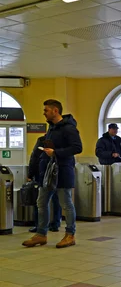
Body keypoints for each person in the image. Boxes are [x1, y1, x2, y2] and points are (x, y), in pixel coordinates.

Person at [22, 99, 82, 249]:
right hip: (47, 172)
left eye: (46, 110)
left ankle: (70, 234)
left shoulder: (69, 128)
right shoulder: (52, 129)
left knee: (66, 204)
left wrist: (56, 152)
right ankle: (41, 234)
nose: (44, 113)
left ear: (55, 111)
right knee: (41, 202)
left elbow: (77, 147)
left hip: (62, 172)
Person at [27, 135, 61, 233]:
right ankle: (55, 224)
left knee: (40, 201)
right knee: (56, 200)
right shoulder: (60, 140)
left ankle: (39, 225)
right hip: (56, 174)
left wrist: (30, 174)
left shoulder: (42, 140)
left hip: (42, 175)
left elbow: (34, 157)